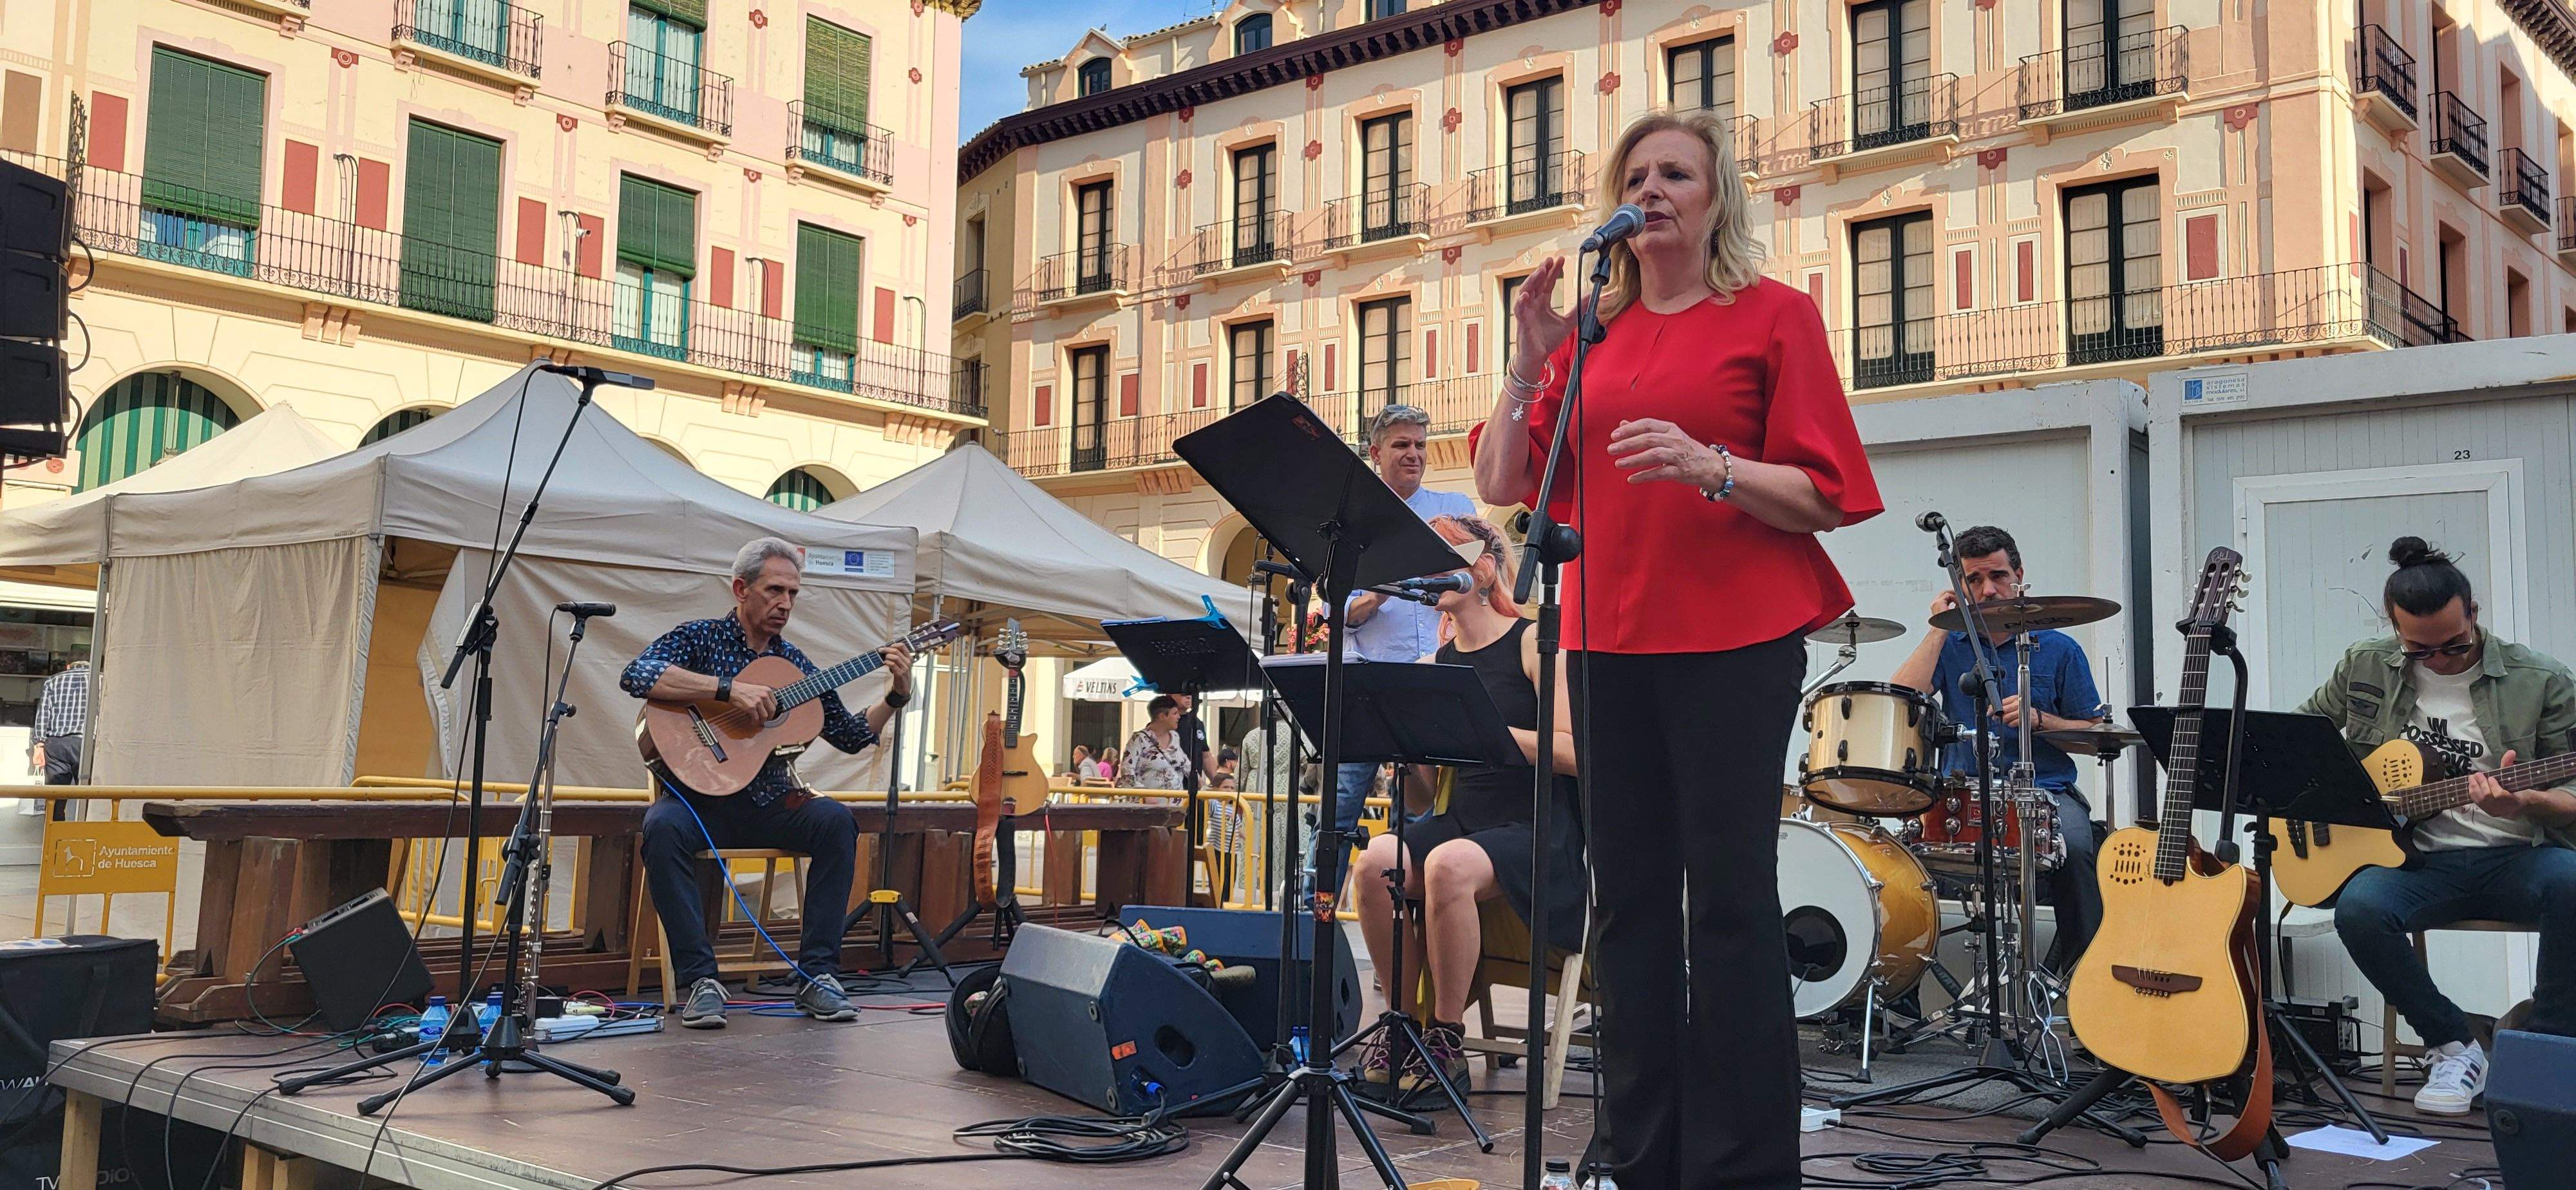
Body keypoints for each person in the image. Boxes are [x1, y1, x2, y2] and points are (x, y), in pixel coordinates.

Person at [1472, 108, 1880, 1189]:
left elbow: (1823, 492)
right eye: (1636, 173)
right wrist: (1529, 357)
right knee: (1630, 902)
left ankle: (1747, 1168)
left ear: (1715, 201)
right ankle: (1641, 1157)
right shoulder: (1592, 339)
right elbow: (1506, 481)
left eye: (1676, 173)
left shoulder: (1773, 317)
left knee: (1733, 900)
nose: (1652, 188)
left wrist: (1713, 465)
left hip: (1736, 639)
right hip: (1608, 638)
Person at [2304, 537, 2576, 1115]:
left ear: (2474, 614)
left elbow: (2573, 792)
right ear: (2395, 629)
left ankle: (2545, 1048)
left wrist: (2528, 802)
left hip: (2516, 854)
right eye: (2419, 650)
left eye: (2454, 645)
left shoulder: (2542, 680)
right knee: (2359, 907)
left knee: (2573, 881)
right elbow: (2305, 738)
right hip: (2416, 859)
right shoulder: (2366, 663)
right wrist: (2338, 799)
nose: (2440, 660)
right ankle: (2455, 1045)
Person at [622, 537, 914, 1030]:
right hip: (698, 803)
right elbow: (638, 675)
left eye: (793, 594)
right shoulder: (699, 639)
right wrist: (726, 690)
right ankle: (701, 982)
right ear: (741, 589)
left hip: (769, 802)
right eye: (775, 590)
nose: (785, 604)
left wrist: (897, 695)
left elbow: (851, 735)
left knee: (836, 822)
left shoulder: (797, 666)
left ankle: (818, 977)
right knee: (661, 828)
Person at [1349, 515, 1583, 1095]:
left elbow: (1576, 753)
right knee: (1373, 861)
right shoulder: (1435, 666)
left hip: (1536, 827)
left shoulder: (1531, 641)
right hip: (1464, 820)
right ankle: (1402, 1026)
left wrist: (1485, 732)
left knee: (1447, 863)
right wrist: (1406, 753)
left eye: (1447, 553)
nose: (1431, 569)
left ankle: (1446, 1040)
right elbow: (1428, 797)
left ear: (1484, 565)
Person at [1888, 525, 2109, 970]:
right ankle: (1900, 1005)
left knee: (2082, 852)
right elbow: (1900, 699)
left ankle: (2082, 990)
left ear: (2019, 576)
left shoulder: (2060, 648)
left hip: (2046, 791)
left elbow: (2094, 734)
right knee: (1898, 868)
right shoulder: (1948, 645)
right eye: (1973, 580)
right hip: (1961, 792)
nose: (1989, 590)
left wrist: (2040, 720)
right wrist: (1937, 627)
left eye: (1998, 576)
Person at [1323, 404, 1479, 887]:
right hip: (1370, 683)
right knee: (1340, 809)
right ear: (1374, 454)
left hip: (1436, 682)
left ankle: (1409, 902)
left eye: (1420, 445)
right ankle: (1316, 904)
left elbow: (1480, 580)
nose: (1414, 454)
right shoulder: (1350, 523)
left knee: (1429, 811)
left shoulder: (1455, 510)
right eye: (1401, 445)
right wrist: (1376, 593)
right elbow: (1335, 612)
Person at [28, 655, 87, 820]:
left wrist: (39, 744)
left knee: (55, 798)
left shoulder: (53, 681)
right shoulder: (102, 680)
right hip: (89, 743)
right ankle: (88, 837)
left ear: (68, 666)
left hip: (56, 745)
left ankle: (56, 838)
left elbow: (43, 714)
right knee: (90, 797)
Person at [1118, 695, 1195, 790]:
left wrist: (1196, 779)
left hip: (1177, 802)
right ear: (1162, 716)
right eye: (1175, 713)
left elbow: (1184, 762)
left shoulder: (1175, 737)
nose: (1179, 717)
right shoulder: (1139, 740)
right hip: (1148, 803)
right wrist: (1144, 795)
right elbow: (1127, 773)